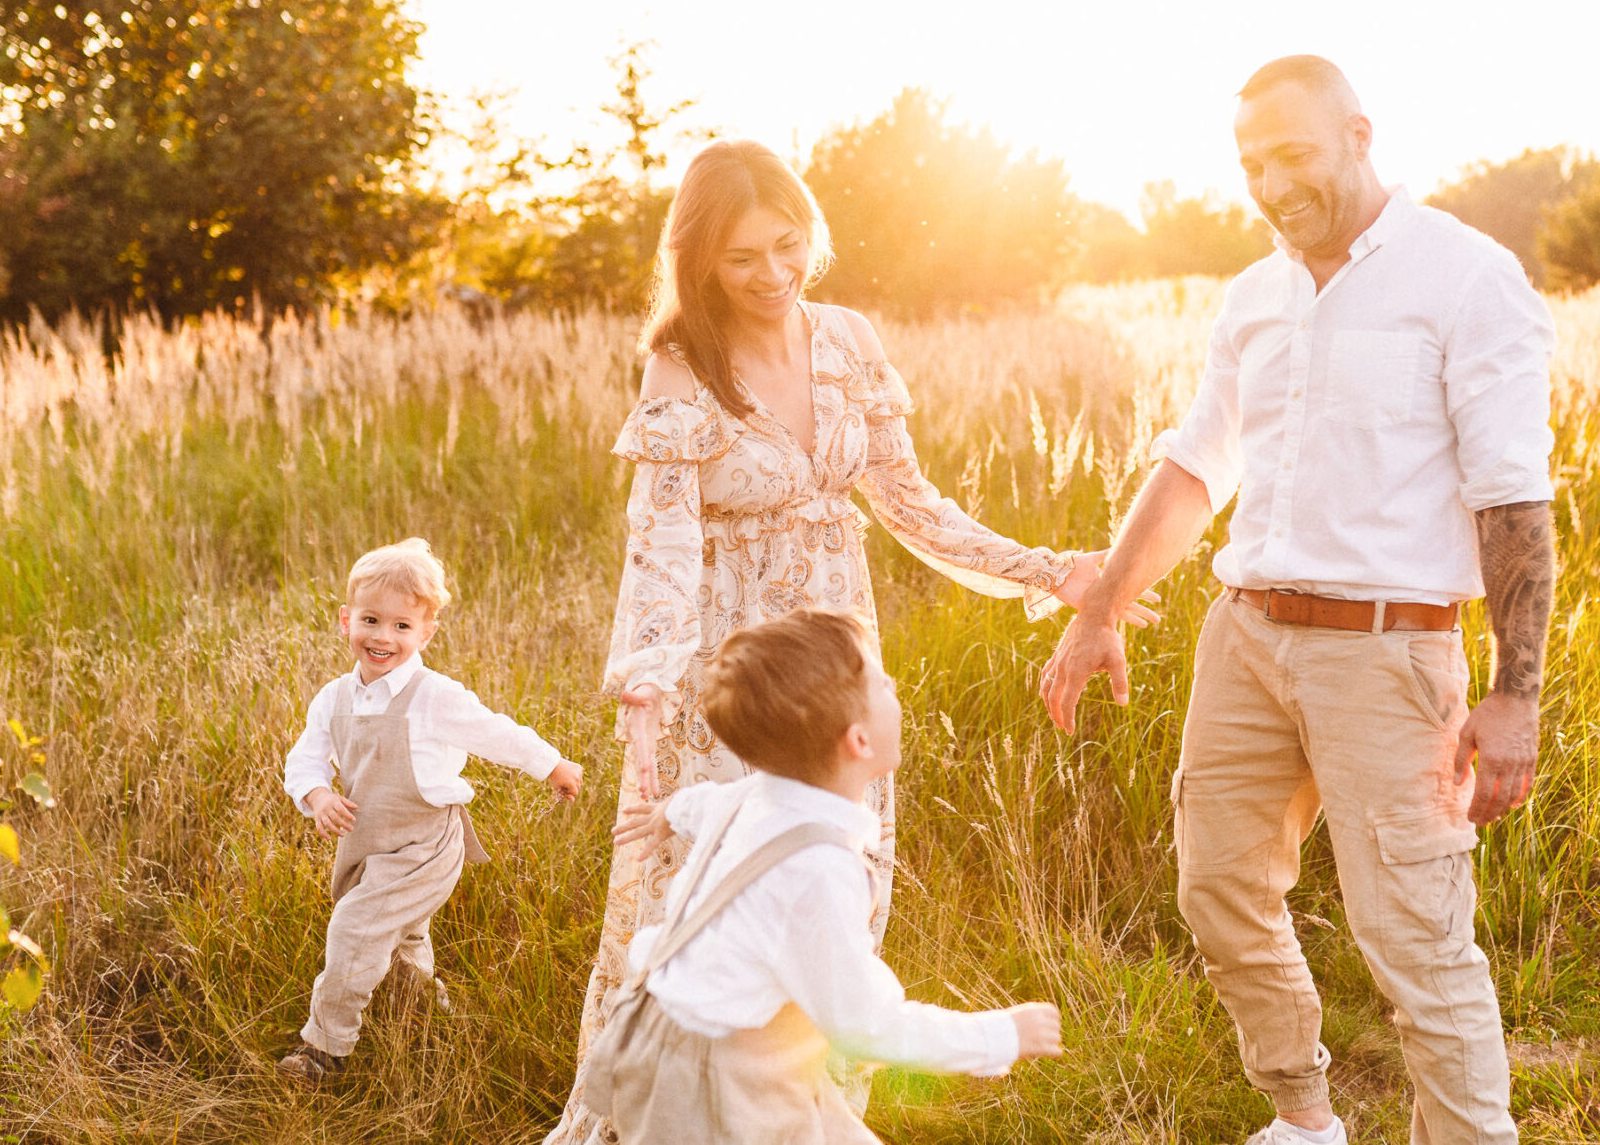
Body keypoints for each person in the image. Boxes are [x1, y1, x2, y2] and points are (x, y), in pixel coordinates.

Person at [543, 139, 1144, 1142]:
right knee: (696, 902)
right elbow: (659, 549)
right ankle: (651, 1118)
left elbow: (913, 505)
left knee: (838, 893)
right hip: (734, 672)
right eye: (743, 259)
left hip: (839, 652)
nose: (773, 274)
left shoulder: (850, 342)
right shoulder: (680, 368)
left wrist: (1051, 568)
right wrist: (644, 710)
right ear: (700, 261)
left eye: (788, 245)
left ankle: (803, 1117)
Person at [1040, 56, 1557, 1145]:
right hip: (1246, 638)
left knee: (1416, 940)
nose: (1271, 185)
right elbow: (1194, 467)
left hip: (1389, 652)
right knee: (1217, 889)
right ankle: (1306, 1118)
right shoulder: (1252, 295)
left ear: (1359, 136)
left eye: (1293, 155)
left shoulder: (1464, 275)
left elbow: (1512, 497)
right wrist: (1098, 612)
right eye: (1250, 164)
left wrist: (1517, 693)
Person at [581, 608, 1063, 1141]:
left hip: (672, 1035)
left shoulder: (748, 798)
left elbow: (703, 802)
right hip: (719, 1080)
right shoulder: (820, 870)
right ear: (858, 741)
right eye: (886, 684)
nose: (896, 689)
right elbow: (865, 1027)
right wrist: (1000, 1036)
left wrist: (667, 813)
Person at [278, 538, 584, 1082]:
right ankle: (421, 1009)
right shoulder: (333, 698)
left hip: (424, 844)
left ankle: (324, 1050)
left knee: (355, 928)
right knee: (403, 932)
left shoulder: (432, 695)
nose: (383, 637)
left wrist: (552, 764)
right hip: (368, 841)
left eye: (402, 626)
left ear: (426, 633)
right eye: (371, 620)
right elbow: (303, 759)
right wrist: (318, 794)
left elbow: (495, 733)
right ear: (346, 619)